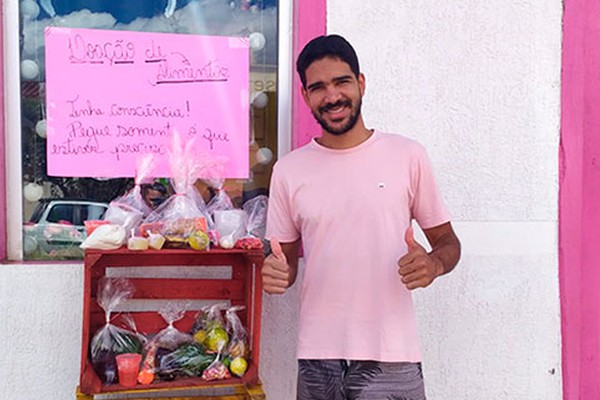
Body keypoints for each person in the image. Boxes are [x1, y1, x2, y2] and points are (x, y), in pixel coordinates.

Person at [263, 34, 461, 400]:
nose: (332, 96)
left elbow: (449, 243)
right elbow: (284, 263)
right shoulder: (288, 171)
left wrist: (432, 264)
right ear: (306, 97)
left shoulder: (408, 156)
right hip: (318, 356)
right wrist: (278, 273)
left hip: (393, 354)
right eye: (318, 87)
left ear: (361, 83)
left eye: (342, 81)